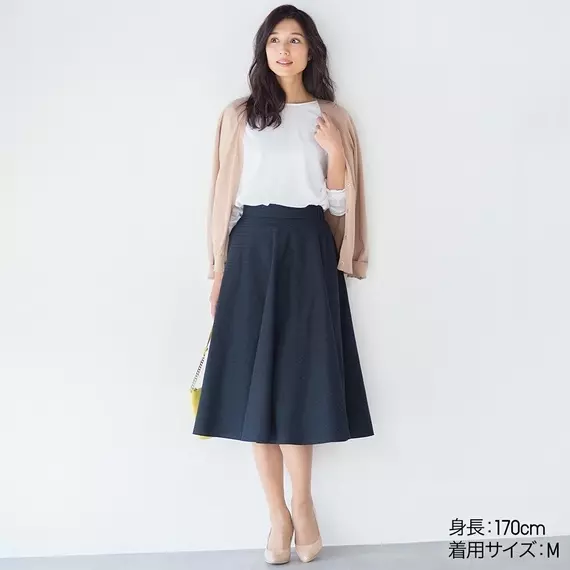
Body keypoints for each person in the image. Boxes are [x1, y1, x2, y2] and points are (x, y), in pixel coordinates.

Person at [192, 4, 374, 564]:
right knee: (255, 387)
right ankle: (277, 515)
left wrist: (336, 153)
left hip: (308, 249)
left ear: (311, 49)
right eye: (274, 40)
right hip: (250, 249)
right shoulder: (239, 116)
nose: (284, 49)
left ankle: (304, 504)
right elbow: (223, 198)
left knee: (298, 382)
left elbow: (338, 207)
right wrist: (218, 269)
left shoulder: (332, 117)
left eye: (295, 40)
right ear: (263, 50)